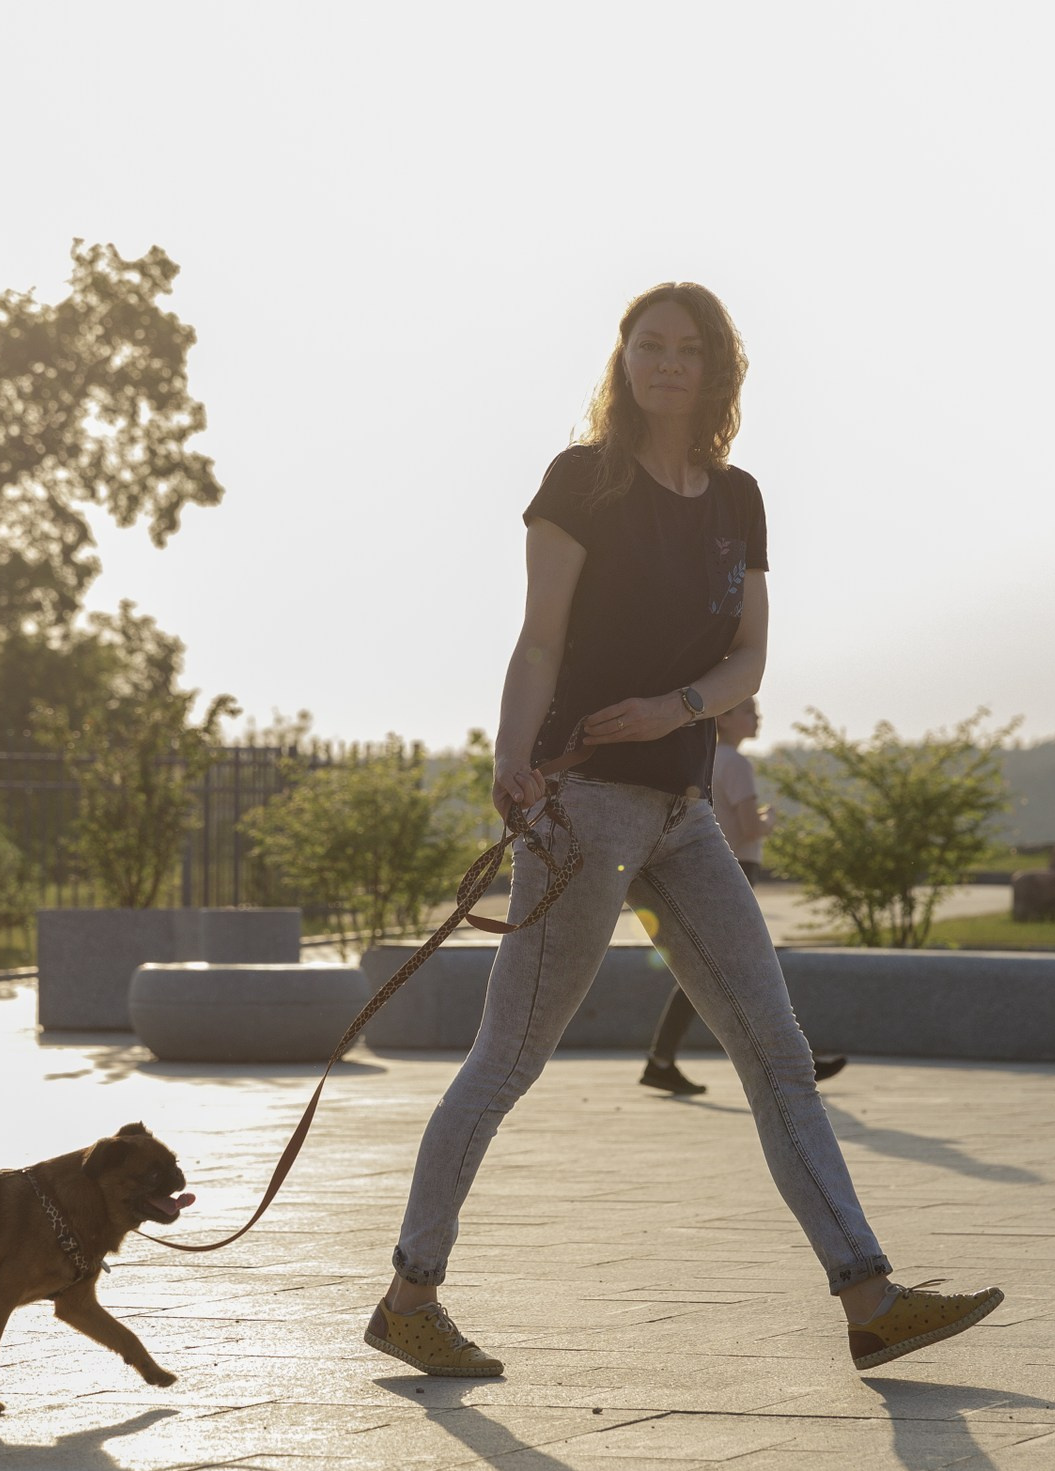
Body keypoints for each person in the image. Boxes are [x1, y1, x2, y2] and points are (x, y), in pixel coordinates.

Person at [364, 282, 1002, 1381]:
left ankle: (869, 1297)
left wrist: (681, 709)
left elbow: (749, 659)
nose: (666, 363)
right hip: (580, 807)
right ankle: (412, 1295)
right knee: (507, 1061)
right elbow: (538, 644)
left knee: (777, 1056)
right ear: (623, 360)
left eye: (687, 349)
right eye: (648, 345)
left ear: (716, 370)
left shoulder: (735, 498)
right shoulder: (582, 482)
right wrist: (511, 761)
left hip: (683, 810)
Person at [639, 696, 847, 1095]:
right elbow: (751, 829)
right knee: (746, 967)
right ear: (726, 718)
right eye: (749, 711)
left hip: (705, 871)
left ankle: (663, 1060)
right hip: (737, 870)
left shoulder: (706, 758)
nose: (758, 718)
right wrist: (769, 818)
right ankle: (794, 1062)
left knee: (705, 969)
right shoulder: (737, 763)